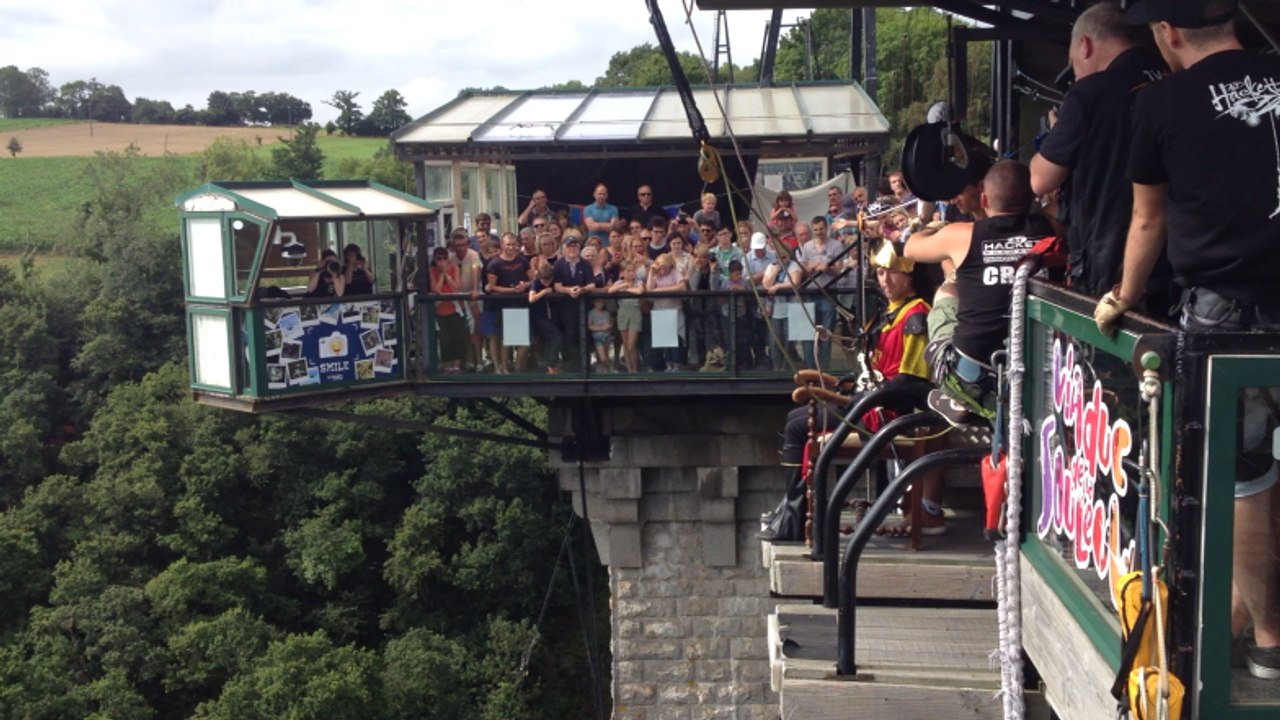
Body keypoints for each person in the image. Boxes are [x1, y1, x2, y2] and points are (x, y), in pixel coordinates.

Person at [1093, 0, 1280, 679]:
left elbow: (1149, 221)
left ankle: (1268, 638)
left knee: (1243, 475)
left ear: (1167, 34)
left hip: (1227, 312)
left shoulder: (1161, 103)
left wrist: (1124, 296)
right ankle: (1244, 611)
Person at [760, 241, 935, 542]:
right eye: (881, 272)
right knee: (794, 418)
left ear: (909, 275)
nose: (885, 279)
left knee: (798, 426)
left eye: (892, 272)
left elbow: (912, 380)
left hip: (887, 411)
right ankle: (795, 510)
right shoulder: (891, 312)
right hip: (871, 401)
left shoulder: (915, 315)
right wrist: (853, 386)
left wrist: (863, 397)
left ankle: (796, 516)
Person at [1029, 2, 1167, 303]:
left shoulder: (1089, 92)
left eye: (1073, 63)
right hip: (1175, 257)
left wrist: (1056, 134)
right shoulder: (1173, 78)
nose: (1076, 75)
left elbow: (1040, 180)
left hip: (1109, 258)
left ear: (1084, 45)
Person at [903, 160, 1056, 423]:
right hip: (1038, 371)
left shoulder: (962, 235)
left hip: (971, 377)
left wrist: (931, 223)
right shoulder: (1050, 226)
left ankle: (957, 397)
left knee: (947, 291)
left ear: (984, 199)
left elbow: (910, 248)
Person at [484, 233, 532, 374]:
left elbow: (533, 279)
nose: (510, 247)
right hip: (499, 304)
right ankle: (501, 368)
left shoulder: (522, 261)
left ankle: (512, 367)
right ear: (502, 245)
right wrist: (512, 290)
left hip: (519, 304)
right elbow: (492, 286)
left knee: (517, 339)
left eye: (513, 244)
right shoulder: (494, 264)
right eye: (507, 244)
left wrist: (525, 285)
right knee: (501, 338)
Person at [553, 234, 595, 371]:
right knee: (568, 335)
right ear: (564, 248)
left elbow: (591, 285)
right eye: (569, 246)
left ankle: (584, 365)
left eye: (575, 246)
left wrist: (581, 289)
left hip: (583, 305)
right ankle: (570, 365)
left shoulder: (586, 264)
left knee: (583, 334)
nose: (572, 249)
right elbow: (557, 286)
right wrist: (569, 290)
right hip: (564, 307)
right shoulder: (558, 264)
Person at [448, 228, 485, 371]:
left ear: (468, 244)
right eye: (458, 245)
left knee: (476, 327)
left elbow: (476, 270)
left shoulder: (473, 255)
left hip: (473, 296)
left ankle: (479, 361)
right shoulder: (451, 257)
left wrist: (475, 289)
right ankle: (469, 359)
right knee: (465, 329)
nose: (461, 248)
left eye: (463, 244)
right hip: (458, 298)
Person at [646, 253, 688, 371]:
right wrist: (651, 272)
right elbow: (649, 290)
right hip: (660, 310)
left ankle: (677, 364)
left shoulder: (675, 272)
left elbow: (681, 287)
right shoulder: (655, 274)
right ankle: (668, 364)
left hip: (674, 309)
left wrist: (660, 290)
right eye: (661, 267)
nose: (663, 270)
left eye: (665, 267)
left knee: (675, 339)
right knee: (664, 340)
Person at [429, 247, 466, 374]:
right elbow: (437, 290)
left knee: (457, 337)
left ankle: (457, 365)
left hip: (454, 309)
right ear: (434, 259)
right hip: (440, 310)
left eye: (444, 258)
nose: (442, 261)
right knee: (445, 339)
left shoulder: (454, 268)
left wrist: (447, 275)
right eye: (438, 258)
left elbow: (457, 289)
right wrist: (441, 275)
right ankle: (447, 365)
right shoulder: (432, 271)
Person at [526, 263, 564, 374]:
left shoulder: (555, 282)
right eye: (544, 280)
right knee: (557, 337)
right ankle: (551, 364)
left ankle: (551, 365)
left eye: (548, 280)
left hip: (553, 316)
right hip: (539, 317)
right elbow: (531, 299)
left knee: (551, 340)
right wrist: (543, 292)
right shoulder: (536, 283)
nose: (546, 283)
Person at [609, 263, 645, 373]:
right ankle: (630, 369)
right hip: (622, 311)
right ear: (623, 272)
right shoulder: (619, 282)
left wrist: (626, 289)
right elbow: (611, 290)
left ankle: (635, 370)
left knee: (631, 345)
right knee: (625, 344)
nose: (631, 273)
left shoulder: (638, 282)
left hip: (634, 311)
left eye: (633, 270)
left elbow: (639, 291)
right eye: (628, 270)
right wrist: (624, 286)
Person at [587, 298, 614, 372]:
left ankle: (606, 371)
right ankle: (609, 370)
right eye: (598, 302)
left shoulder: (606, 313)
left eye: (602, 302)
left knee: (606, 356)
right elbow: (589, 326)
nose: (600, 304)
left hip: (607, 336)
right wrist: (601, 327)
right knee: (603, 358)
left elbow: (609, 325)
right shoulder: (591, 313)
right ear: (594, 302)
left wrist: (607, 326)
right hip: (597, 337)